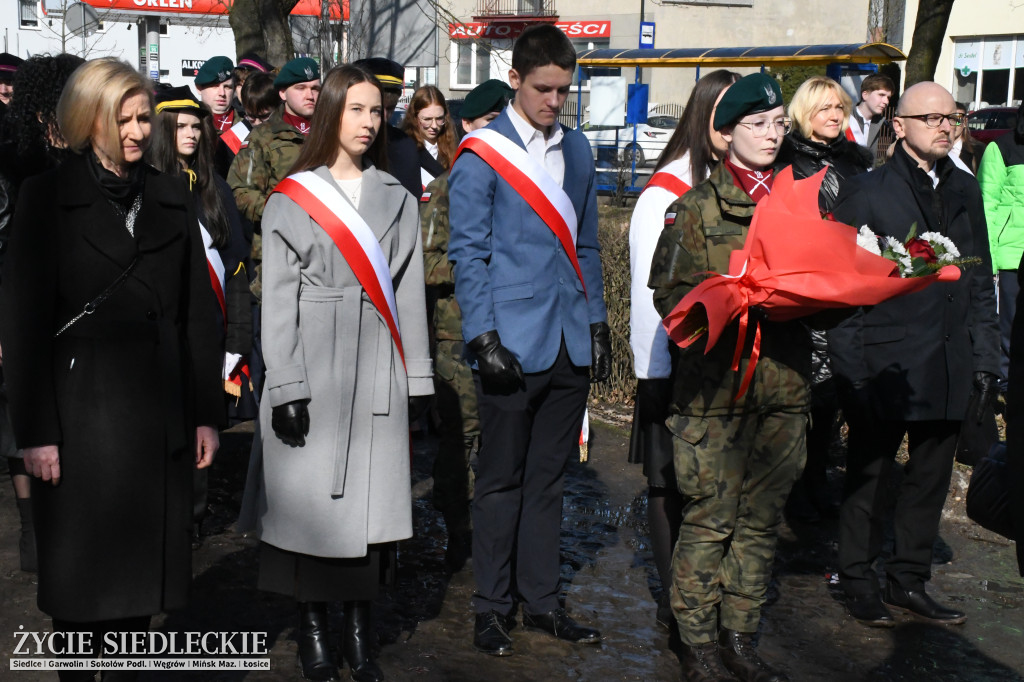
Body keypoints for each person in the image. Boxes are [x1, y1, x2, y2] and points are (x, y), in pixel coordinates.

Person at [0, 58, 223, 680]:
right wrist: (37, 432)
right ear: (86, 120)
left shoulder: (171, 195)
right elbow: (22, 325)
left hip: (157, 420)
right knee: (80, 597)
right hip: (78, 421)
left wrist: (206, 415)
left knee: (137, 602)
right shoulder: (46, 198)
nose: (134, 131)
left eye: (142, 117)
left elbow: (195, 318)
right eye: (119, 119)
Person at [238, 64, 432, 682]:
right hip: (314, 369)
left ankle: (359, 629)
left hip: (377, 364)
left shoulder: (398, 199)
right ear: (329, 114)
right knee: (310, 511)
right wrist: (287, 387)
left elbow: (407, 297)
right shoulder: (292, 197)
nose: (370, 122)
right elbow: (279, 301)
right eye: (357, 109)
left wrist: (419, 381)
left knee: (371, 515)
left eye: (377, 111)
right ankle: (315, 631)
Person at [448, 23, 610, 657]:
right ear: (515, 80)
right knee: (499, 482)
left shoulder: (579, 151)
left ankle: (540, 602)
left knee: (550, 481)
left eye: (564, 90)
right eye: (543, 88)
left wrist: (596, 316)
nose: (554, 101)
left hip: (569, 341)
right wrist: (483, 336)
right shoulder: (483, 153)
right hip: (510, 344)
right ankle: (491, 607)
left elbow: (589, 244)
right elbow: (468, 254)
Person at [828, 82, 1000, 628]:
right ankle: (857, 579)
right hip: (886, 363)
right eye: (932, 117)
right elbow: (841, 287)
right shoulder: (866, 191)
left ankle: (909, 580)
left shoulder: (966, 191)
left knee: (930, 479)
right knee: (870, 478)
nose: (946, 127)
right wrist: (851, 367)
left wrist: (985, 358)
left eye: (953, 117)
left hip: (949, 360)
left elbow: (980, 280)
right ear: (898, 126)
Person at [648, 72, 801, 682]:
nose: (771, 134)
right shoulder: (694, 209)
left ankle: (740, 635)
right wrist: (733, 298)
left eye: (778, 124)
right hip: (714, 392)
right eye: (757, 124)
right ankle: (697, 641)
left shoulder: (799, 204)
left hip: (783, 386)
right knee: (710, 521)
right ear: (725, 133)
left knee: (762, 521)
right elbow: (669, 299)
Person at [627, 68, 738, 630]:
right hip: (671, 358)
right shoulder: (668, 190)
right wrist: (655, 369)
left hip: (724, 363)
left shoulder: (737, 184)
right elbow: (652, 291)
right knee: (667, 481)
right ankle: (676, 601)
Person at [420, 78, 513, 571]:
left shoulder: (523, 182)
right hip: (457, 332)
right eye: (488, 124)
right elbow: (426, 263)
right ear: (467, 126)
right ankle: (459, 530)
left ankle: (496, 530)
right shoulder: (448, 186)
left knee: (502, 436)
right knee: (463, 434)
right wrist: (478, 268)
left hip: (511, 328)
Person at [775, 76, 873, 523]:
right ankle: (789, 484)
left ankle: (815, 478)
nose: (835, 115)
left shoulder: (857, 162)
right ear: (804, 113)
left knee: (830, 394)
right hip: (800, 288)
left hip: (846, 288)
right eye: (825, 109)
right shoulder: (785, 159)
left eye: (840, 108)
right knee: (800, 392)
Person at [0, 52, 84, 574]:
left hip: (75, 311)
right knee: (18, 422)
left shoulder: (85, 156)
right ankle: (34, 531)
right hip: (18, 306)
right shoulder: (12, 159)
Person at [228, 56, 320, 299]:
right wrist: (280, 210)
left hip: (327, 253)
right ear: (282, 93)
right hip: (278, 251)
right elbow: (239, 191)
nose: (310, 95)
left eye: (315, 88)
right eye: (300, 88)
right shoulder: (263, 137)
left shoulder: (333, 133)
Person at [978, 100, 1024, 389]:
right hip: (1012, 256)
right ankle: (1007, 386)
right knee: (1011, 328)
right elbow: (986, 206)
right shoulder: (1002, 148)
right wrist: (991, 259)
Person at [354, 57, 420, 199]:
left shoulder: (403, 145)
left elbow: (411, 203)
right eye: (376, 109)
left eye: (390, 108)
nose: (383, 116)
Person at [215, 71, 277, 178]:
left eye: (264, 116)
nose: (257, 123)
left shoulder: (293, 132)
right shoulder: (231, 141)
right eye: (251, 116)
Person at [403, 85, 456, 195]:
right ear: (414, 117)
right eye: (427, 119)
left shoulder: (453, 146)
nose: (434, 126)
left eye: (439, 119)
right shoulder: (403, 148)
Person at [847, 73, 895, 167]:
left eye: (888, 97)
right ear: (865, 95)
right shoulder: (842, 119)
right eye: (881, 95)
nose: (886, 101)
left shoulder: (881, 123)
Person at [195, 55, 236, 133]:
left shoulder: (249, 124)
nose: (222, 93)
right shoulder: (188, 123)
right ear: (199, 88)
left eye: (227, 87)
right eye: (215, 86)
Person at [950, 101, 983, 175]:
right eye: (950, 119)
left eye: (958, 119)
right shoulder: (933, 149)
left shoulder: (978, 150)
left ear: (965, 122)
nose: (954, 125)